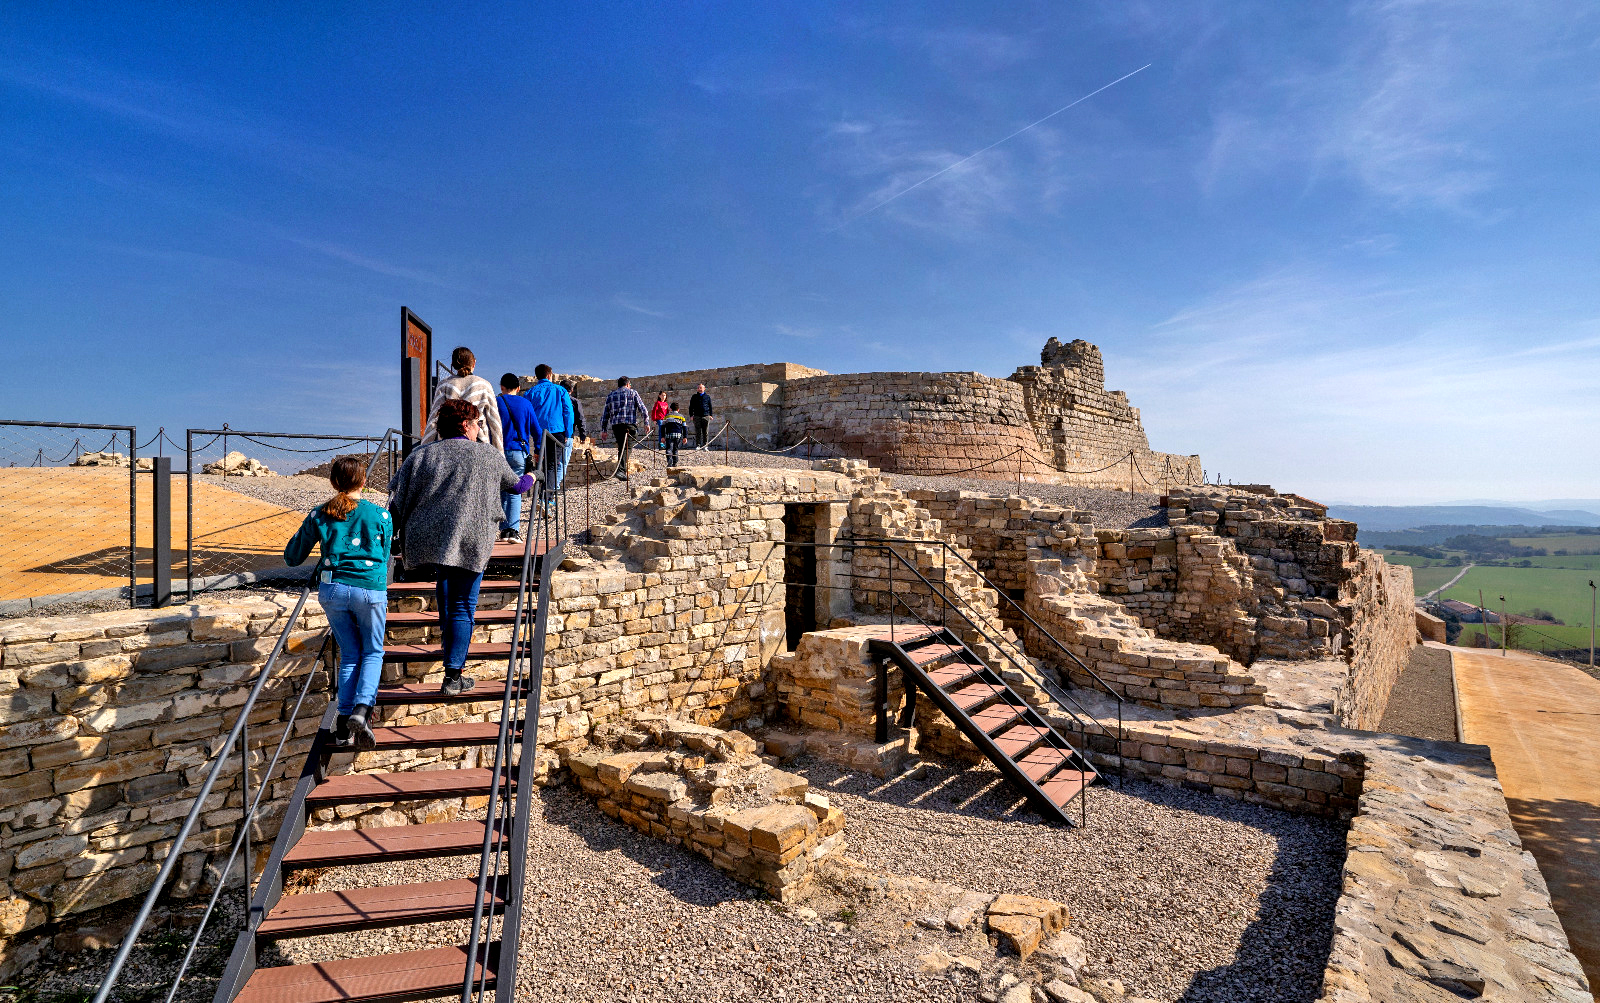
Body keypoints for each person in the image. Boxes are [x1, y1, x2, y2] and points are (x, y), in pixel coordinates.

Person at [387, 399, 535, 696]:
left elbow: (397, 495)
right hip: (470, 538)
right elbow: (516, 487)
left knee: (445, 591)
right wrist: (534, 475)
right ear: (465, 425)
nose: (480, 428)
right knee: (462, 605)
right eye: (478, 423)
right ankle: (454, 675)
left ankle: (449, 649)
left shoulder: (421, 455)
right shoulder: (487, 455)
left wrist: (392, 537)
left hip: (429, 538)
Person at [283, 456, 392, 750]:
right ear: (364, 482)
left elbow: (292, 556)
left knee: (350, 653)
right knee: (372, 651)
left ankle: (344, 725)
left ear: (332, 482)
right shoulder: (381, 515)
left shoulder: (320, 514)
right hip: (368, 590)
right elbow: (384, 556)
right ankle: (361, 710)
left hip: (333, 590)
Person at [420, 346, 503, 449]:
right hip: (478, 441)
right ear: (474, 363)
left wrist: (422, 448)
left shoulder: (445, 384)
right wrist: (500, 455)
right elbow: (495, 422)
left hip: (449, 442)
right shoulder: (484, 385)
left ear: (453, 365)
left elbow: (434, 419)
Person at [496, 373, 542, 544]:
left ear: (501, 387)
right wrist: (537, 450)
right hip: (518, 452)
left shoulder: (496, 401)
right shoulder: (526, 403)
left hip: (498, 451)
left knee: (501, 490)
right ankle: (513, 531)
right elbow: (537, 431)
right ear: (518, 388)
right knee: (515, 491)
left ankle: (503, 530)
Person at [525, 364, 574, 511]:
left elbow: (527, 415)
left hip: (538, 433)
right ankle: (546, 499)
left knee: (541, 465)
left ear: (537, 376)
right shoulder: (560, 390)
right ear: (549, 375)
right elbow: (568, 412)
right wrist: (568, 433)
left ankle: (540, 496)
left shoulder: (529, 393)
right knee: (553, 465)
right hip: (556, 432)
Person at [600, 376, 650, 481]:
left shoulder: (611, 395)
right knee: (628, 447)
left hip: (616, 426)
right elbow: (643, 409)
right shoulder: (633, 393)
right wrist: (646, 423)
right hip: (629, 425)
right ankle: (620, 471)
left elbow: (605, 414)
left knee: (622, 447)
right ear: (628, 384)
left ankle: (620, 470)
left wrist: (604, 430)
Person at [560, 378, 587, 490]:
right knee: (563, 462)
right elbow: (580, 418)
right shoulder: (575, 402)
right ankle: (556, 487)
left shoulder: (555, 401)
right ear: (571, 390)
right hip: (568, 434)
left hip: (552, 433)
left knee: (552, 463)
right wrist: (583, 434)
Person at [658, 402, 688, 466]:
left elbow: (662, 427)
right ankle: (675, 462)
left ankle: (669, 460)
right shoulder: (681, 417)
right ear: (678, 410)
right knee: (675, 449)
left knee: (669, 449)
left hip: (669, 435)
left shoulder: (667, 416)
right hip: (678, 435)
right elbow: (684, 427)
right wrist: (685, 437)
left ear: (670, 409)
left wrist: (662, 436)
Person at [689, 383, 714, 449]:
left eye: (700, 388)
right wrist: (691, 415)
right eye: (698, 388)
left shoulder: (707, 397)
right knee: (698, 431)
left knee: (705, 432)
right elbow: (691, 407)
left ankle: (705, 445)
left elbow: (710, 406)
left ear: (704, 389)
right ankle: (698, 445)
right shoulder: (694, 397)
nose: (699, 389)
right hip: (696, 416)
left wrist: (710, 415)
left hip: (706, 416)